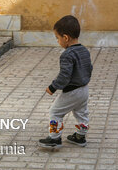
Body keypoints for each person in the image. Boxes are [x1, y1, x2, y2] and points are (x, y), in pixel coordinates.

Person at [39, 15, 93, 148]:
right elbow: (89, 68)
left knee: (56, 112)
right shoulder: (84, 50)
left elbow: (64, 76)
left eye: (57, 38)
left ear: (66, 38)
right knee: (81, 112)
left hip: (72, 91)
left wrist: (52, 87)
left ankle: (55, 138)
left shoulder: (67, 54)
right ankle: (80, 136)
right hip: (84, 89)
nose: (57, 41)